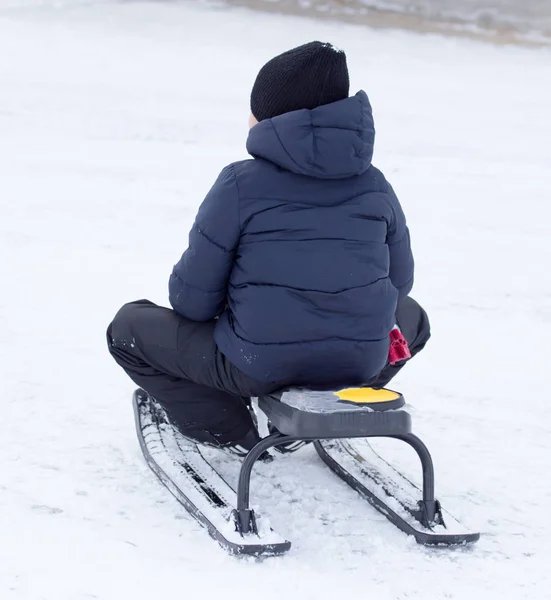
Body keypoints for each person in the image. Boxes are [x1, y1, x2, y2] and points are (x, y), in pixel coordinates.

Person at [106, 41, 430, 455]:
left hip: (257, 365)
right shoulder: (376, 184)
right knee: (414, 318)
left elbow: (191, 302)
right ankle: (321, 406)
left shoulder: (240, 184)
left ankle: (231, 430)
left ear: (272, 118)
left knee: (127, 328)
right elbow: (400, 287)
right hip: (358, 364)